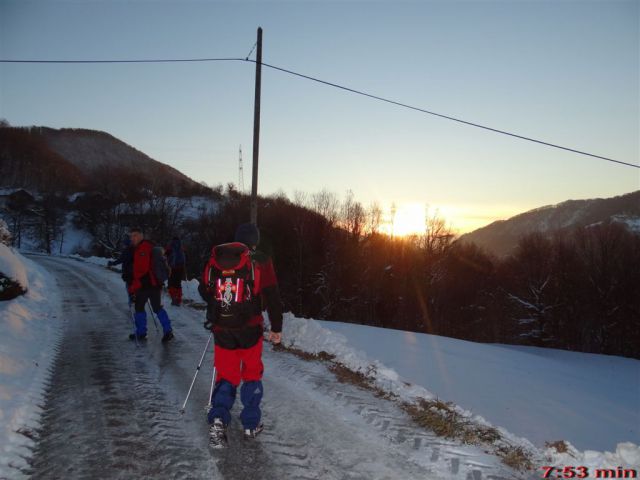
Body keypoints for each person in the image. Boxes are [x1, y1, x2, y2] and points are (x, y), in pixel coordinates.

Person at [198, 223, 283, 448]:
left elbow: (203, 289)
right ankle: (250, 425)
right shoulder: (261, 260)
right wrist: (276, 327)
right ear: (255, 241)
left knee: (227, 375)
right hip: (251, 330)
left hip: (223, 330)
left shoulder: (218, 257)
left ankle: (218, 420)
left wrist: (221, 307)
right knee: (252, 374)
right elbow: (273, 296)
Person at [128, 227, 174, 343]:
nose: (132, 238)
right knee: (157, 308)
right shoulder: (148, 247)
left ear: (140, 236)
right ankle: (168, 331)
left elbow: (141, 272)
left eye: (134, 236)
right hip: (154, 284)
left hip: (147, 285)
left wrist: (133, 287)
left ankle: (142, 332)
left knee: (139, 308)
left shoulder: (142, 249)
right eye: (131, 236)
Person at [108, 236, 134, 303]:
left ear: (126, 244)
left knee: (129, 289)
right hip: (135, 272)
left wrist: (112, 263)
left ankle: (131, 304)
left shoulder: (126, 251)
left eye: (124, 244)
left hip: (128, 273)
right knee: (134, 288)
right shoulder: (135, 250)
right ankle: (135, 301)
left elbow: (120, 260)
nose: (123, 246)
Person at [165, 236, 186, 306]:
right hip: (180, 268)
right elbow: (185, 258)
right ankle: (178, 299)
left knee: (171, 283)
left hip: (172, 268)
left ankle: (174, 298)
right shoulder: (181, 247)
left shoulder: (170, 247)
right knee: (178, 284)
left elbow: (166, 256)